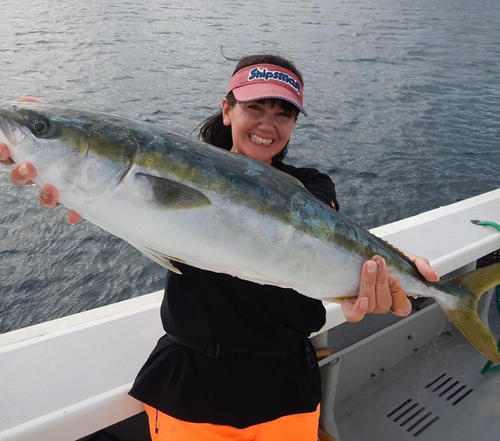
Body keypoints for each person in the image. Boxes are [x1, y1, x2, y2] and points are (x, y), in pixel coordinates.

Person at [0, 55, 438, 441]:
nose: (267, 125)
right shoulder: (177, 159)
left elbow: (328, 238)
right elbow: (108, 188)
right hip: (193, 388)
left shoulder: (309, 187)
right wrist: (37, 152)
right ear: (227, 110)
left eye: (283, 114)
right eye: (254, 107)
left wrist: (401, 270)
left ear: (294, 124)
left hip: (287, 384)